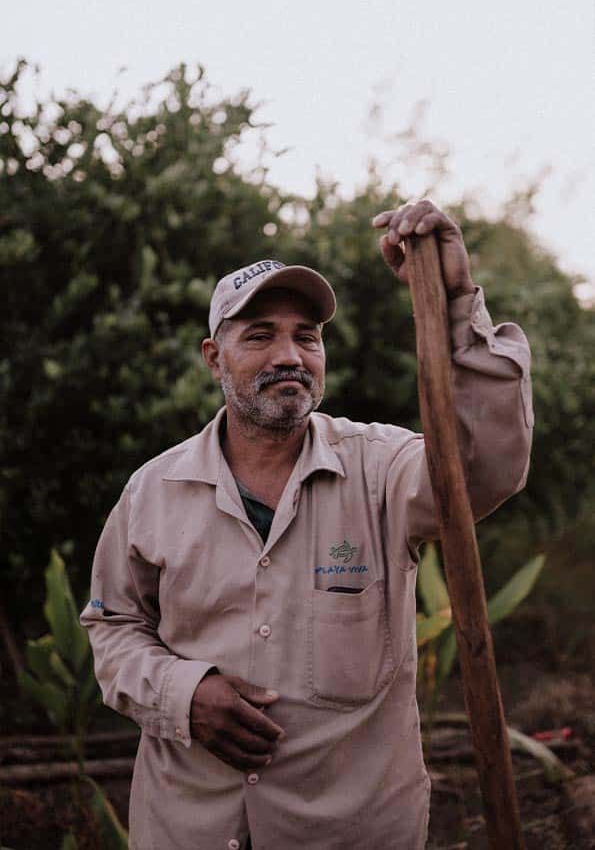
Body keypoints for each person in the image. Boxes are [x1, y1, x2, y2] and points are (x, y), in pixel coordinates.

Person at [81, 199, 533, 850]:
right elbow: (112, 627)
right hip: (188, 830)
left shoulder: (384, 469)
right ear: (214, 358)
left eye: (306, 336)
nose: (289, 355)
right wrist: (184, 693)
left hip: (352, 834)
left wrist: (457, 300)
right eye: (259, 335)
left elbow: (480, 469)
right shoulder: (153, 490)